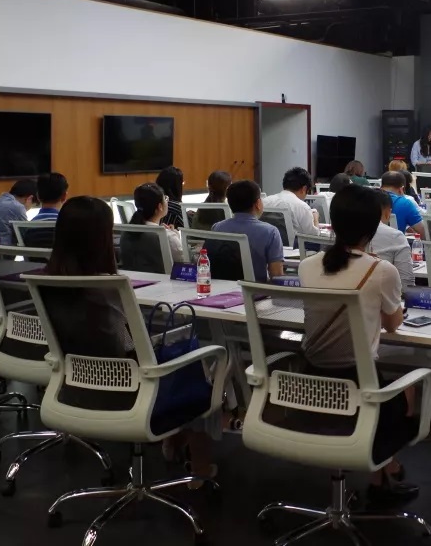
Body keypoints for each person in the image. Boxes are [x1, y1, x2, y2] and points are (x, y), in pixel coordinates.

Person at [46, 195, 216, 478]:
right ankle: (200, 469)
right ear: (101, 238)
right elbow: (128, 346)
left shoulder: (48, 281)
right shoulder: (107, 288)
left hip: (73, 386)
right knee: (200, 361)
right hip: (130, 391)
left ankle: (175, 442)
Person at [297, 184, 419, 503]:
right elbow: (392, 324)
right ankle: (383, 470)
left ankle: (384, 474)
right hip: (359, 389)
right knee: (407, 389)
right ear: (373, 227)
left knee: (377, 386)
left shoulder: (307, 265)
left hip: (311, 384)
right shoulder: (382, 271)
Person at [209, 180, 284, 282]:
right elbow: (277, 276)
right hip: (254, 290)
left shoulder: (217, 227)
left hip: (221, 289)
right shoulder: (271, 232)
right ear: (258, 204)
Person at [125, 182, 183, 265]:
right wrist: (175, 236)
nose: (167, 201)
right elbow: (183, 262)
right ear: (160, 207)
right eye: (165, 198)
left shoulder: (127, 232)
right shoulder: (169, 237)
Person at [369, 190, 415, 287]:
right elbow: (406, 283)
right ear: (388, 213)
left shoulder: (342, 233)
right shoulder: (396, 236)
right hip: (383, 294)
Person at [263, 167, 318, 238]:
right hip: (291, 245)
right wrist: (315, 218)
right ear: (304, 189)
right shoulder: (302, 206)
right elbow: (313, 236)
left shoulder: (265, 201)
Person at [380, 171, 428, 239]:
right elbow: (424, 233)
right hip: (394, 244)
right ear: (401, 189)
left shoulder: (367, 198)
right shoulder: (405, 203)